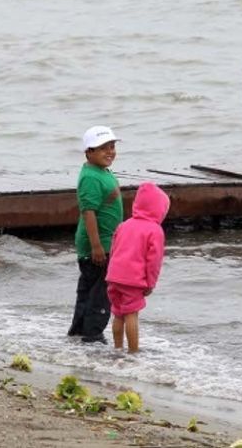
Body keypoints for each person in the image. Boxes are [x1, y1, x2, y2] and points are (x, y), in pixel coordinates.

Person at [67, 125, 123, 343]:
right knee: (100, 292)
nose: (110, 152)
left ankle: (79, 331)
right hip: (98, 245)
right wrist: (97, 246)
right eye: (103, 148)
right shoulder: (90, 177)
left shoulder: (100, 171)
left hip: (102, 242)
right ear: (88, 152)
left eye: (112, 147)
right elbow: (88, 212)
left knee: (88, 289)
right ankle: (93, 335)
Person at [105, 181, 170, 353]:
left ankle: (118, 349)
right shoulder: (155, 230)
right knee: (131, 314)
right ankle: (133, 353)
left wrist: (112, 271)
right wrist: (150, 283)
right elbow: (153, 261)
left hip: (114, 276)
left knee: (118, 313)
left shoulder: (124, 225)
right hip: (133, 280)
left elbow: (113, 250)